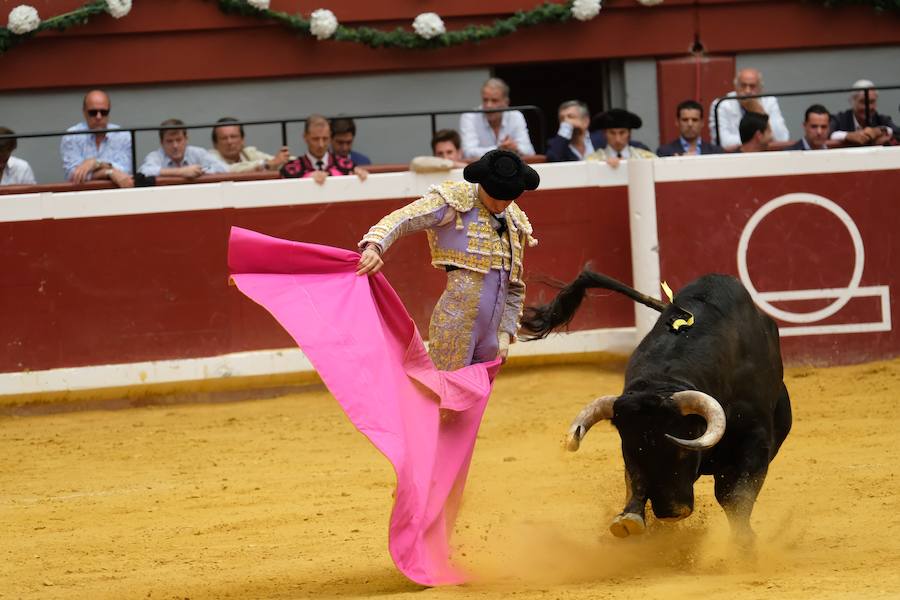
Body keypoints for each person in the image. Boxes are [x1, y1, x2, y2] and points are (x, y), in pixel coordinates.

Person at [356, 149, 539, 370]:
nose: (501, 204)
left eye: (508, 198)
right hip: (455, 325)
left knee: (476, 401)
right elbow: (405, 218)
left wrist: (504, 333)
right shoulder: (456, 201)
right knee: (443, 396)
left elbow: (514, 286)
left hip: (491, 337)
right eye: (495, 196)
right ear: (481, 184)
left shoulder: (515, 219)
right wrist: (374, 246)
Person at [59, 89, 133, 187]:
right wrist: (109, 172)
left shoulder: (122, 135)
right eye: (93, 112)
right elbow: (74, 175)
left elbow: (125, 170)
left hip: (115, 194)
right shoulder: (72, 135)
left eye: (104, 112)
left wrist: (96, 163)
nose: (98, 116)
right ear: (84, 112)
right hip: (82, 195)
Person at [709, 68, 789, 149]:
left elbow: (782, 138)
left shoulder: (770, 101)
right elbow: (724, 142)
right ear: (736, 87)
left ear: (760, 89)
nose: (747, 91)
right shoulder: (722, 104)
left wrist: (760, 110)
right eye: (743, 86)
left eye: (752, 86)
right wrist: (760, 141)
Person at [459, 78, 535, 159]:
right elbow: (468, 153)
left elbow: (530, 152)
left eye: (494, 100)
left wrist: (516, 147)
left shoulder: (516, 116)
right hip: (481, 169)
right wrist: (499, 150)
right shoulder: (470, 117)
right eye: (485, 100)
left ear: (506, 102)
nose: (489, 105)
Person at [280, 115, 368, 185]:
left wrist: (360, 177)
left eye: (325, 139)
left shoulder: (348, 166)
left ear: (330, 137)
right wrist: (306, 181)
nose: (321, 145)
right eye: (315, 139)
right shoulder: (289, 171)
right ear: (305, 137)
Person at [138, 119, 228, 178]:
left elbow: (224, 168)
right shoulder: (155, 156)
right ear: (162, 143)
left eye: (179, 140)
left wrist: (199, 171)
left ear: (186, 139)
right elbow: (143, 172)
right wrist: (181, 172)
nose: (175, 146)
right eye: (169, 141)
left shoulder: (198, 152)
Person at [830, 80, 898, 146]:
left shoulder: (881, 119)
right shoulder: (840, 119)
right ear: (852, 101)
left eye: (872, 102)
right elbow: (828, 134)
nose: (868, 107)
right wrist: (848, 136)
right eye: (863, 102)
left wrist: (879, 131)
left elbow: (896, 132)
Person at [209, 117, 291, 173]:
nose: (229, 142)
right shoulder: (209, 157)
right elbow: (228, 169)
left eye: (233, 137)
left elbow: (275, 161)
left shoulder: (248, 152)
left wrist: (288, 160)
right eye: (224, 138)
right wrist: (265, 165)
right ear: (215, 143)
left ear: (242, 140)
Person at [585, 108, 656, 168]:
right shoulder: (592, 161)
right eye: (612, 133)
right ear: (604, 134)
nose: (617, 139)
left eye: (622, 133)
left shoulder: (647, 158)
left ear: (629, 133)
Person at [657, 100, 724, 157]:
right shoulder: (664, 152)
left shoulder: (716, 152)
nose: (690, 124)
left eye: (694, 120)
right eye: (685, 120)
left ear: (702, 123)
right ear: (677, 122)